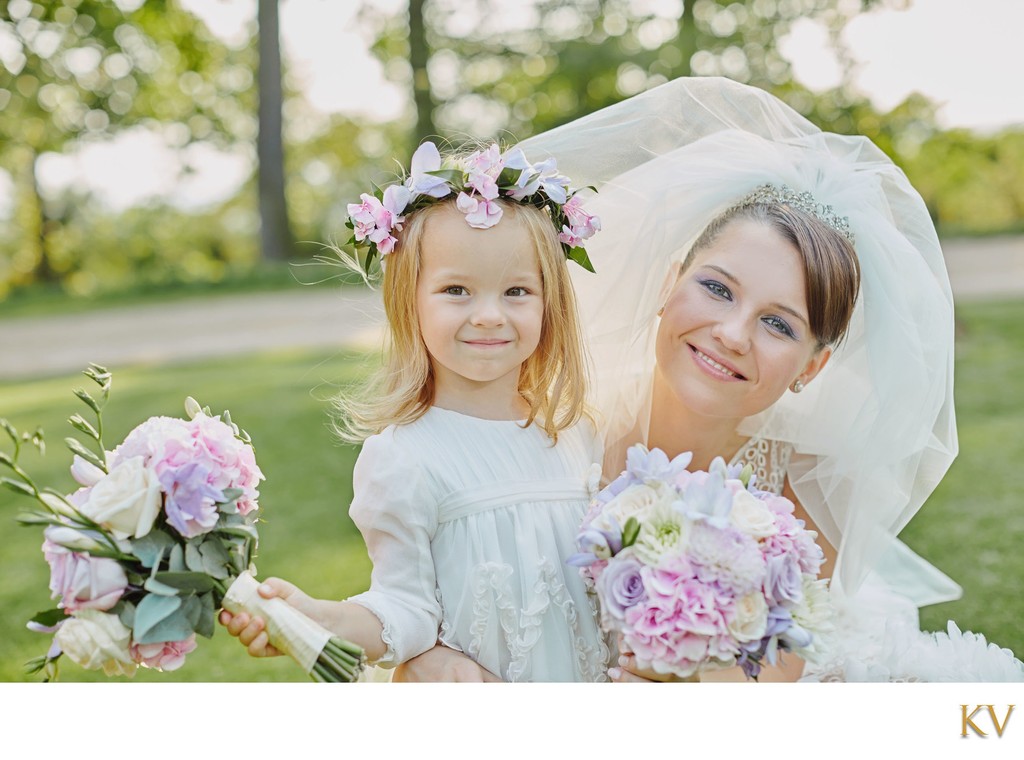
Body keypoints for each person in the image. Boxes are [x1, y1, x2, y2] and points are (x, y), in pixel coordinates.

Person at [396, 77, 1022, 683]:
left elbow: (771, 678)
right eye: (718, 288)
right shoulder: (548, 430)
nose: (732, 332)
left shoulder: (804, 495)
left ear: (812, 366)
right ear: (669, 283)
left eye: (778, 324)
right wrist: (422, 650)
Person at [220, 141, 614, 682]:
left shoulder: (577, 434)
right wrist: (316, 618)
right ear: (410, 301)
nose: (489, 315)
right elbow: (405, 611)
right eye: (456, 290)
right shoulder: (404, 458)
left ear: (551, 304)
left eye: (517, 291)